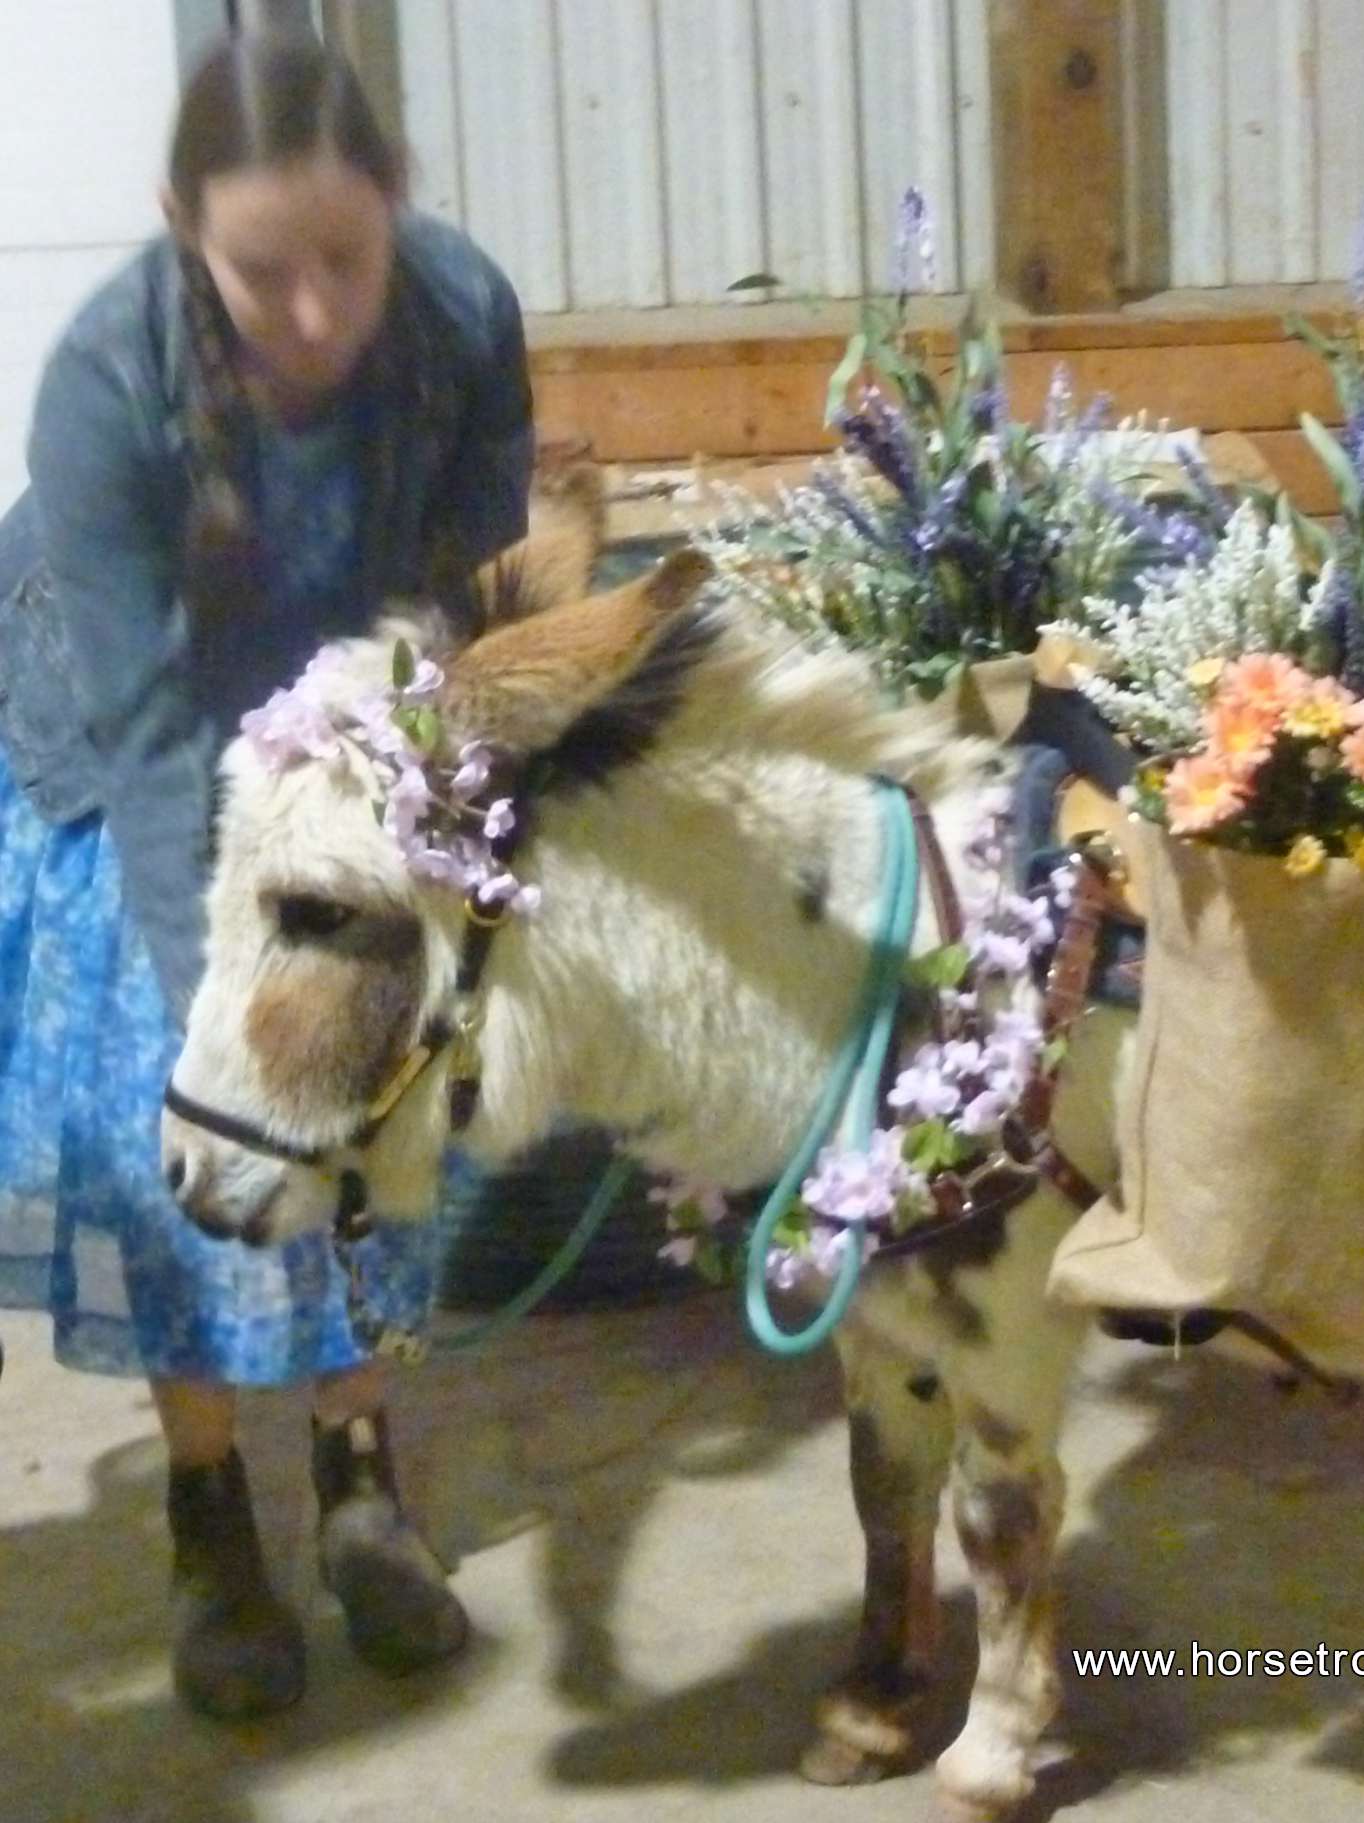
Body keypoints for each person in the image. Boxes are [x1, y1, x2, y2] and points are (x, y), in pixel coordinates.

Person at [0, 30, 533, 1718]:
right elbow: (152, 738)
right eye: (257, 273)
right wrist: (222, 1016)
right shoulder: (105, 382)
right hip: (133, 752)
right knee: (189, 1156)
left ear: (401, 206)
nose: (311, 315)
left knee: (392, 1122)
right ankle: (208, 1511)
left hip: (349, 745)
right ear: (178, 227)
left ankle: (363, 1481)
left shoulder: (459, 319)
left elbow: (463, 588)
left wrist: (430, 829)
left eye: (344, 262)